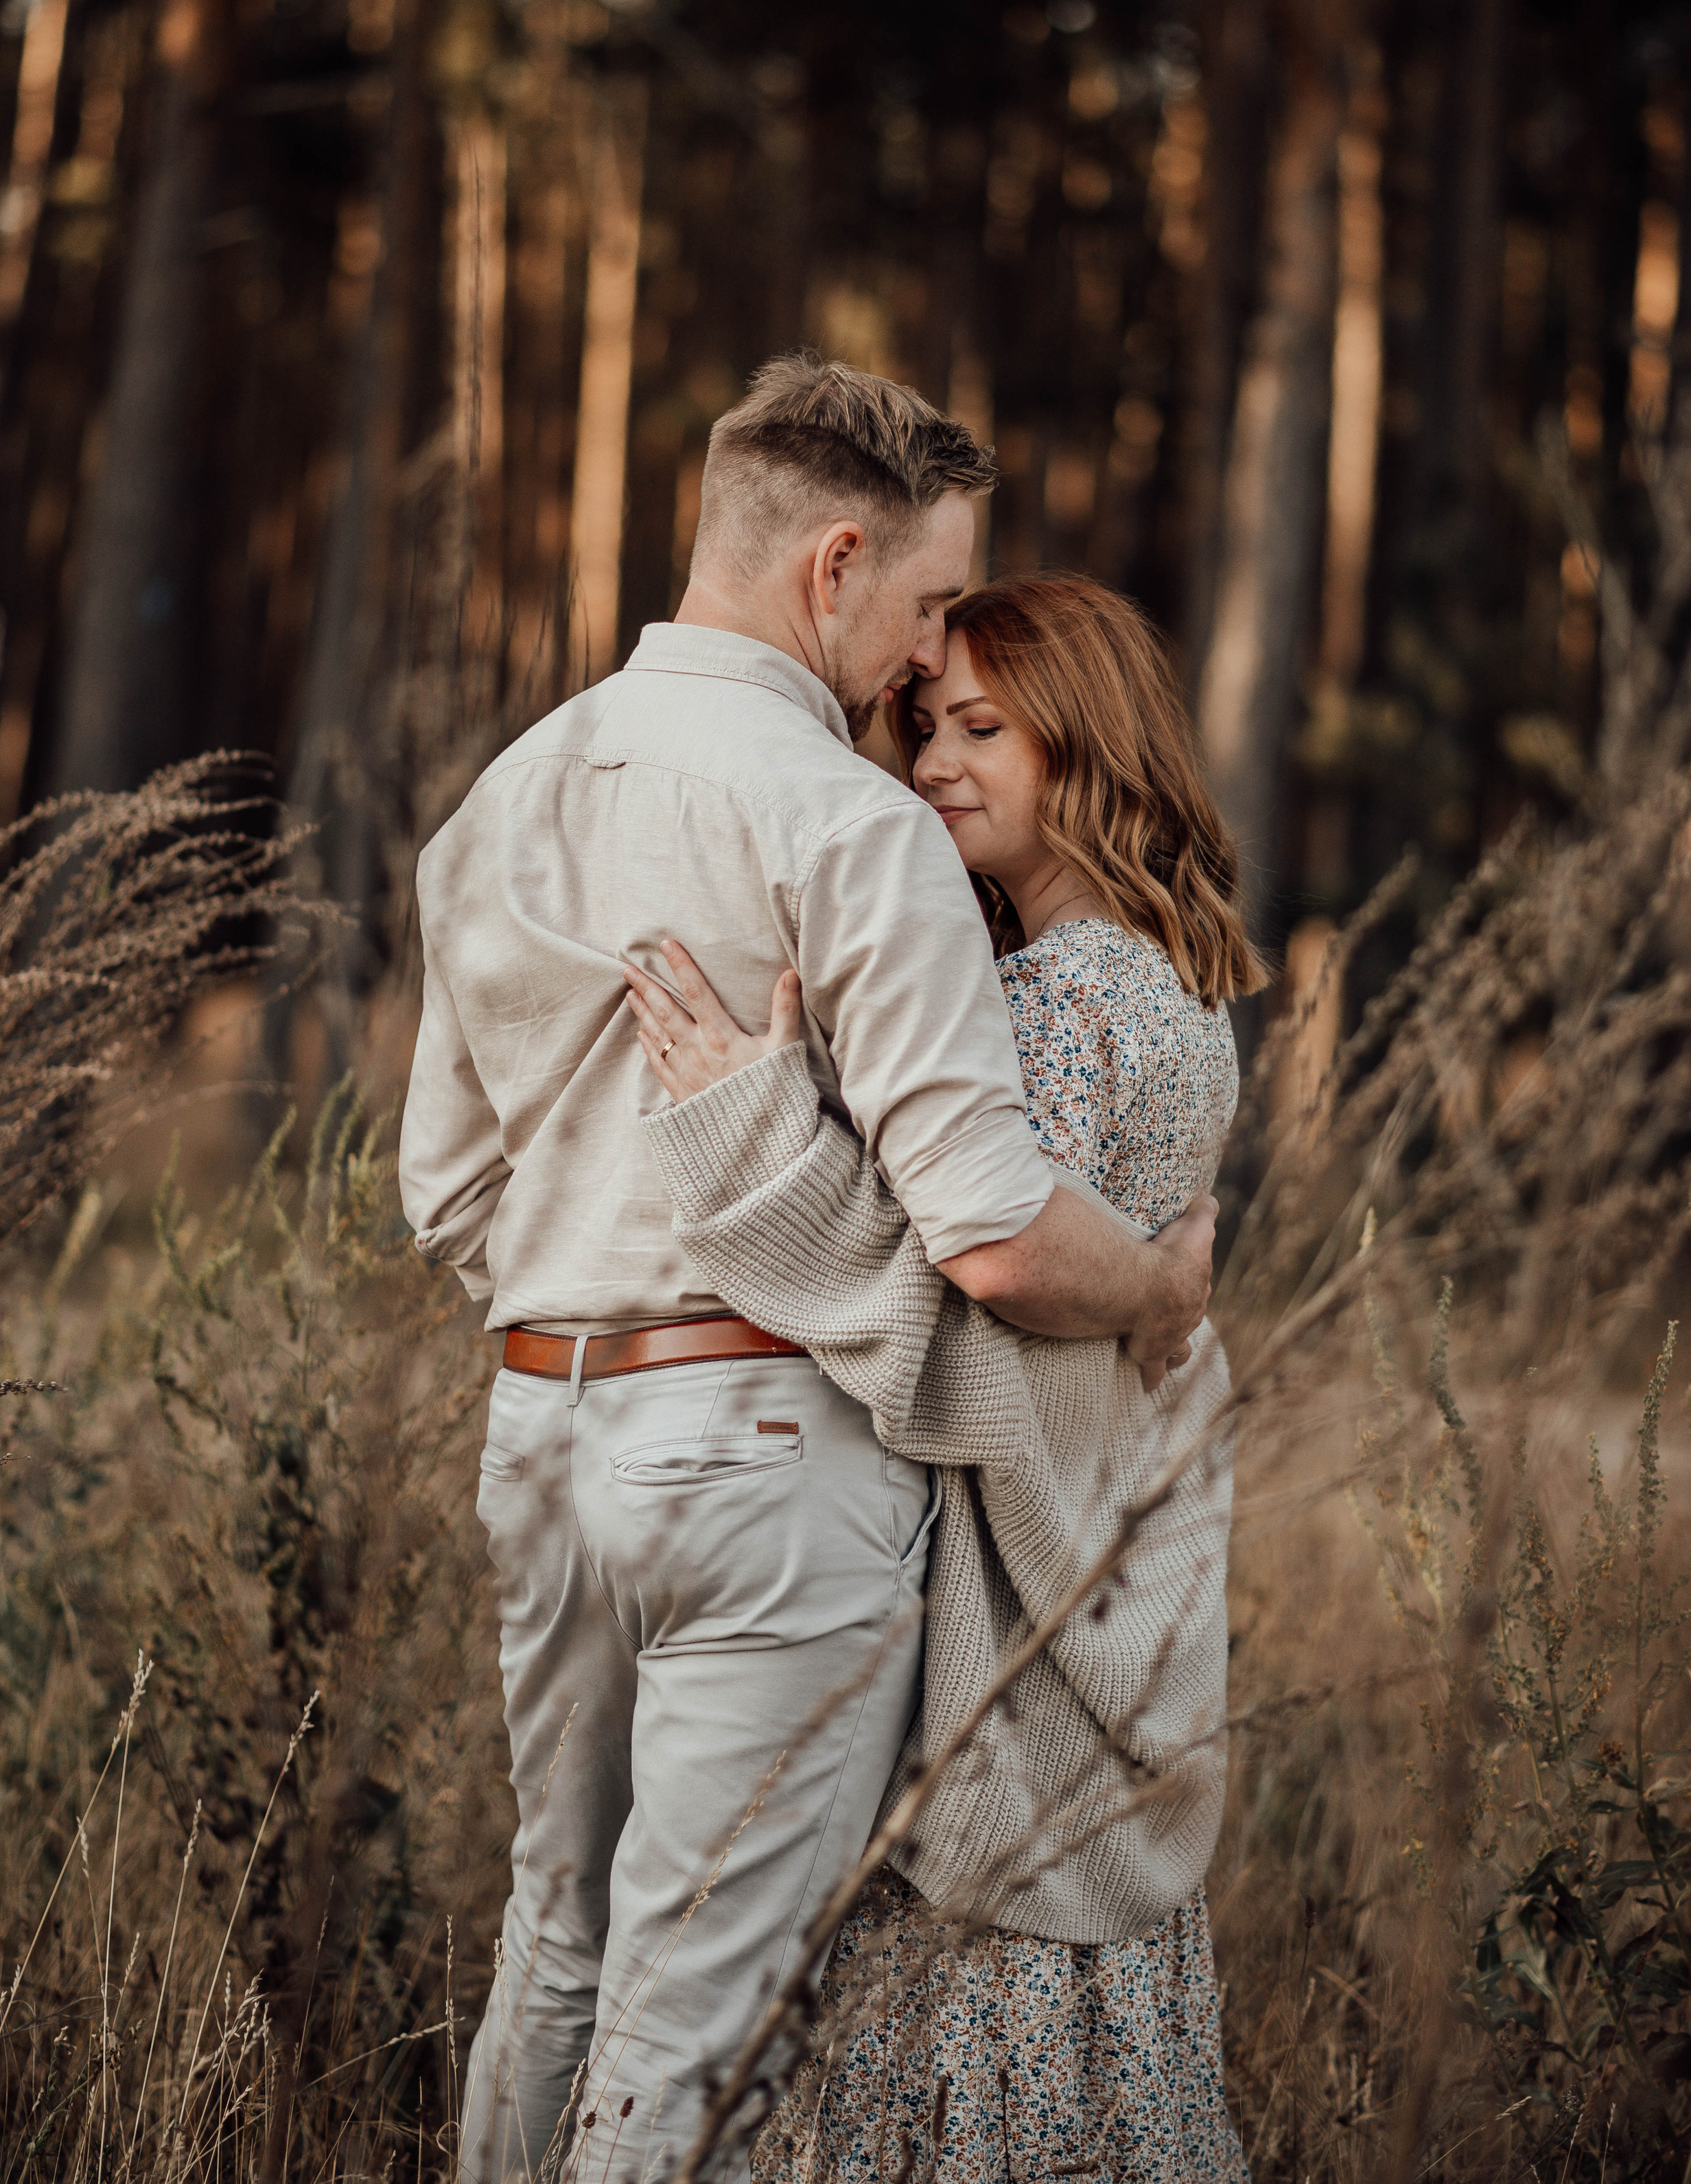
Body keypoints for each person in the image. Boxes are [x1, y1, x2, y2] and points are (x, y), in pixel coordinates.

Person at [397, 360, 1217, 2184]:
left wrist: (597, 1269)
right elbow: (993, 1229)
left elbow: (441, 1196)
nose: (922, 660)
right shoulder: (846, 825)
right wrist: (1164, 1294)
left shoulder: (499, 803)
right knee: (693, 2018)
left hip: (541, 1430)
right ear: (834, 563)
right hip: (767, 1458)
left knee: (553, 1948)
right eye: (929, 604)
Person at [623, 572, 1263, 2184]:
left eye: (981, 729)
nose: (929, 764)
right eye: (923, 728)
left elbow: (972, 1297)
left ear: (1085, 743)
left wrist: (759, 1135)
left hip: (1020, 1622)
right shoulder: (1177, 984)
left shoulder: (1048, 1005)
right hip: (1107, 1582)